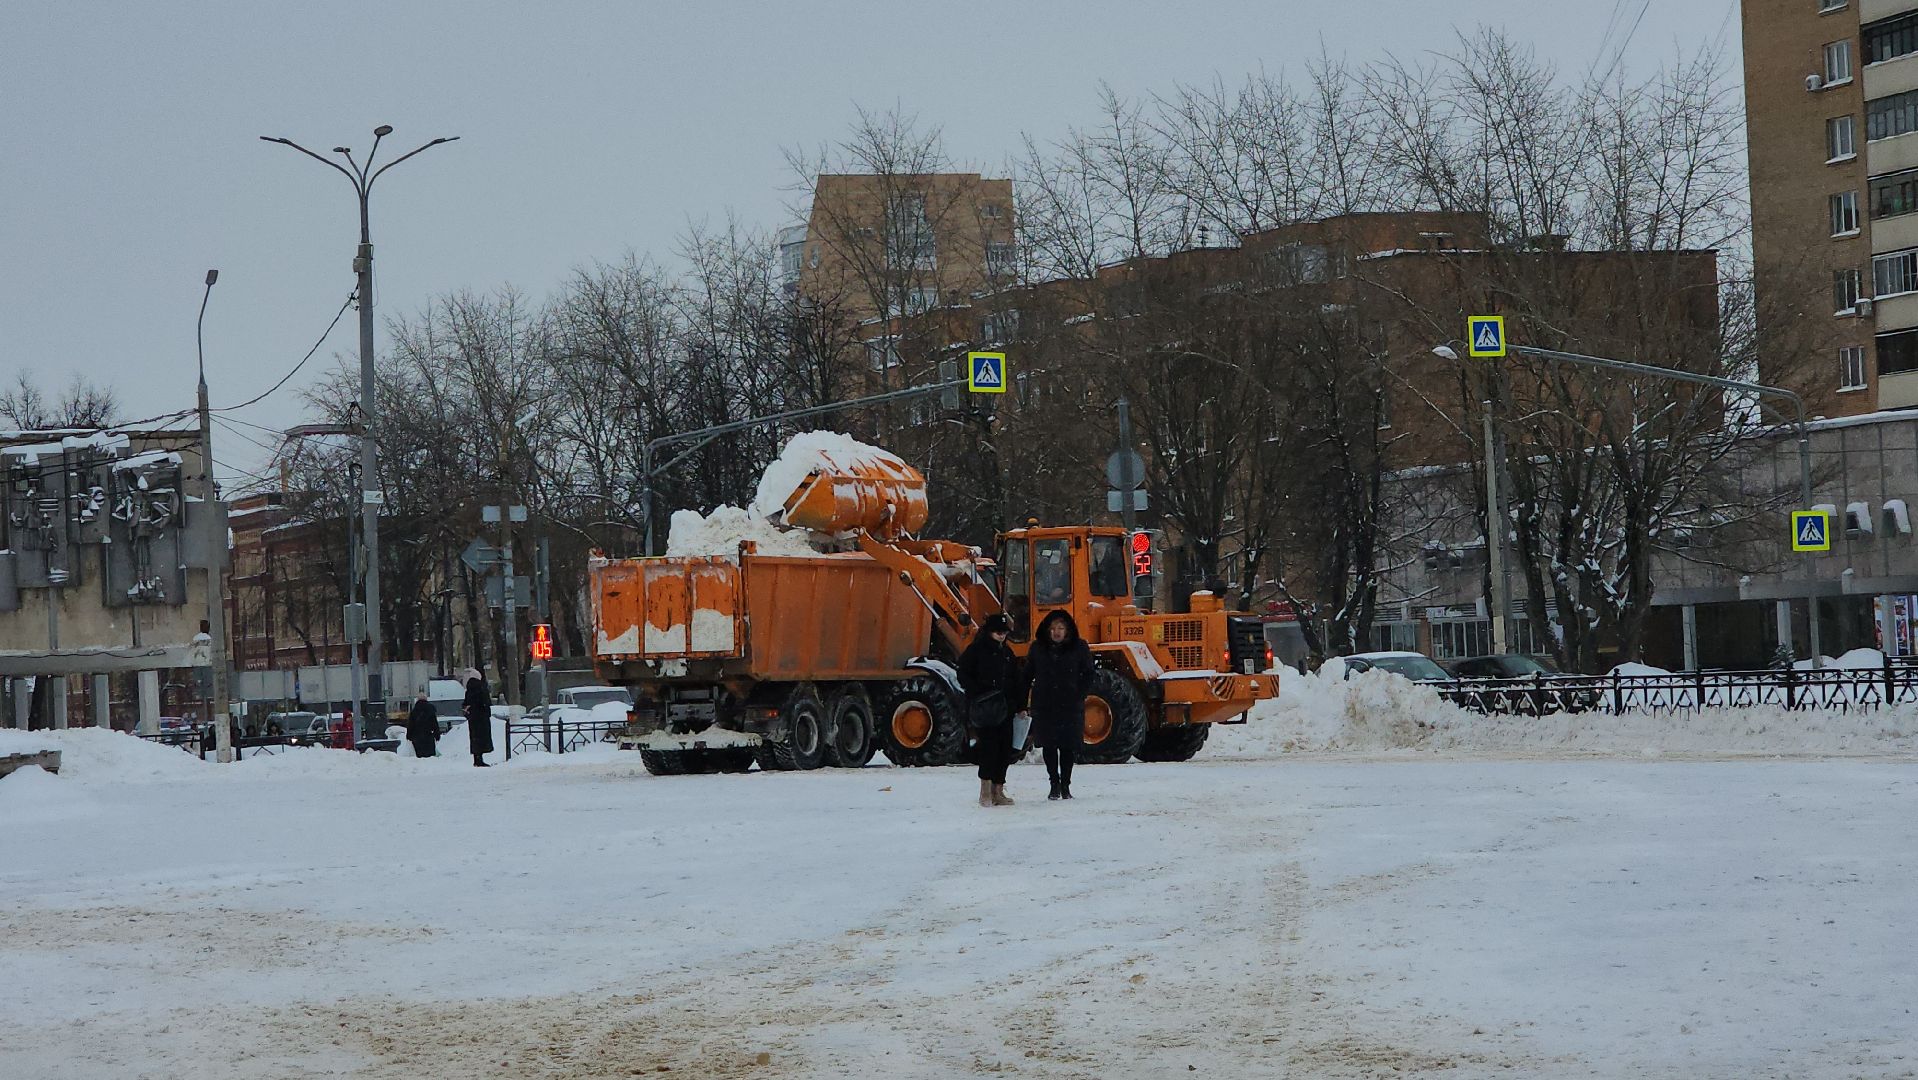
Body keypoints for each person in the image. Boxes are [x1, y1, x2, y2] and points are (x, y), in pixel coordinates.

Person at [1024, 609, 1095, 800]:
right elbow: (1026, 675)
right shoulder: (1037, 648)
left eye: (1061, 628)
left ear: (1068, 630)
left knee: (1067, 746)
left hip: (1070, 705)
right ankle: (1053, 783)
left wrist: (1079, 694)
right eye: (1053, 628)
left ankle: (1066, 785)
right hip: (1045, 705)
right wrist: (1022, 702)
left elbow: (1089, 673)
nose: (1056, 632)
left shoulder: (1079, 647)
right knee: (1049, 745)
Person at [958, 613, 1020, 808]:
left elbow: (1016, 679)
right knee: (989, 748)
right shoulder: (976, 650)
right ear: (989, 631)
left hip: (1005, 707)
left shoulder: (1007, 653)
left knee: (1005, 749)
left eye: (1004, 632)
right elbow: (963, 674)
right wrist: (978, 692)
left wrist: (1019, 705)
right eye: (997, 632)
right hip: (985, 708)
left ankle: (998, 790)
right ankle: (985, 791)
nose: (1001, 635)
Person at [462, 668, 494, 767]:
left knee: (475, 738)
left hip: (473, 718)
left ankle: (477, 758)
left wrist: (469, 711)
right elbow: (486, 702)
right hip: (481, 717)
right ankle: (480, 759)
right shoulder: (481, 687)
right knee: (482, 738)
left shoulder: (469, 689)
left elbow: (466, 703)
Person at [405, 688, 440, 759]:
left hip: (417, 738)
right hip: (428, 737)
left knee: (420, 757)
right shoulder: (431, 709)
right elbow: (434, 724)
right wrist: (437, 735)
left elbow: (411, 725)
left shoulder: (414, 711)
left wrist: (409, 736)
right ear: (426, 699)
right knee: (430, 757)